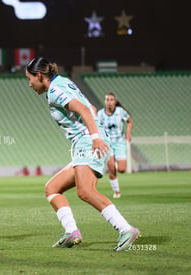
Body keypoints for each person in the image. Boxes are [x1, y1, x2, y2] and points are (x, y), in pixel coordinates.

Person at [25, 57, 139, 252]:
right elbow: (91, 107)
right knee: (52, 188)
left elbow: (85, 109)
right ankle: (71, 232)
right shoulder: (63, 81)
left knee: (85, 191)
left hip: (88, 141)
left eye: (30, 79)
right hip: (86, 141)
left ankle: (126, 229)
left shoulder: (54, 91)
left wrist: (94, 137)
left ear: (39, 75)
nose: (29, 84)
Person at [97, 93, 133, 198]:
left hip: (119, 142)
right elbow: (97, 127)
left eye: (111, 99)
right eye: (107, 99)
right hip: (107, 143)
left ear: (115, 102)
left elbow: (129, 121)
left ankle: (114, 163)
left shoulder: (120, 112)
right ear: (105, 102)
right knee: (111, 167)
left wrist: (128, 133)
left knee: (122, 169)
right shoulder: (100, 114)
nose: (109, 101)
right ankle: (117, 191)